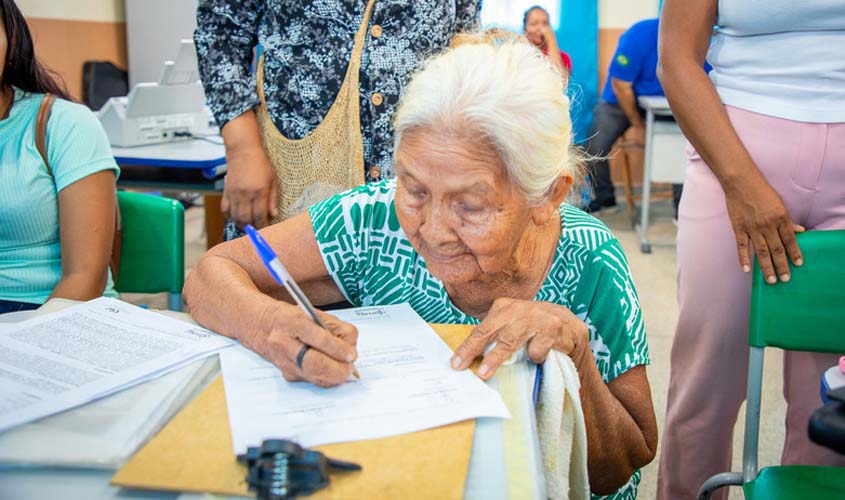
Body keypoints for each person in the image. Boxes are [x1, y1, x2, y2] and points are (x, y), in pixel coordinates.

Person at [185, 33, 657, 498]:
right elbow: (212, 274)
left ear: (548, 195)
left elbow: (626, 461)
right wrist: (271, 324)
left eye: (470, 206)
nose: (431, 230)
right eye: (414, 190)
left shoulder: (592, 258)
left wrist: (575, 353)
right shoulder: (373, 218)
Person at [656, 1, 845, 498]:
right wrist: (742, 187)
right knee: (706, 385)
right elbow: (676, 57)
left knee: (829, 406)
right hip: (735, 150)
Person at [194, 1, 481, 239]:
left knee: (406, 301)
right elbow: (220, 32)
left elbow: (462, 42)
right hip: (295, 175)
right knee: (283, 299)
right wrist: (242, 150)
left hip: (413, 182)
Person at [0, 0, 119, 314]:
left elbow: (86, 278)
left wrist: (28, 341)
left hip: (56, 309)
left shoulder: (64, 124)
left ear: (12, 41)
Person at [584, 18, 664, 213]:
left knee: (685, 145)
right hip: (621, 100)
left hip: (665, 103)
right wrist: (638, 125)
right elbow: (621, 85)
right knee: (594, 147)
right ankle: (605, 198)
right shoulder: (638, 35)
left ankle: (681, 208)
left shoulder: (704, 38)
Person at [522, 5, 572, 76]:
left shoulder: (563, 57)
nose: (541, 28)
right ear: (525, 29)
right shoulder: (519, 56)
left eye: (545, 23)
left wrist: (551, 40)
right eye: (534, 23)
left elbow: (561, 81)